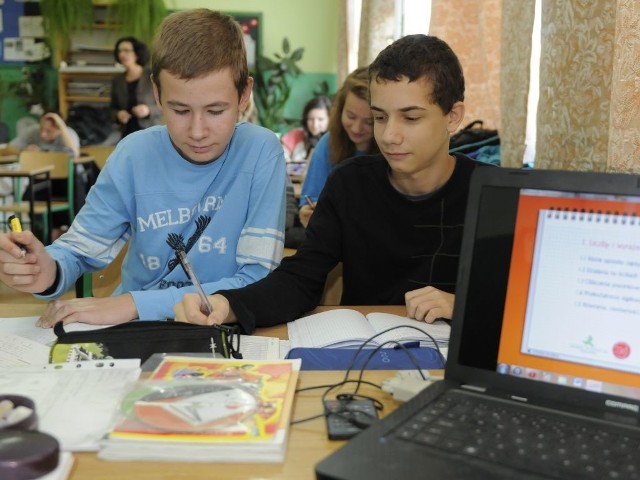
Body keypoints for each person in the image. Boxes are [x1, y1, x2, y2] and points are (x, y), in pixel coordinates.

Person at [174, 34, 493, 333]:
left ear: (453, 116)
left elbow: (526, 302)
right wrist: (228, 304)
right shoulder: (350, 184)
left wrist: (460, 305)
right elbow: (302, 278)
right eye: (380, 117)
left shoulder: (492, 193)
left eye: (410, 118)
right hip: (362, 356)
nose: (389, 136)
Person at [0, 9, 287, 327]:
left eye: (216, 110)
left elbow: (258, 279)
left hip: (209, 326)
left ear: (244, 94)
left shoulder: (261, 151)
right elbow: (79, 250)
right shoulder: (133, 154)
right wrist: (46, 270)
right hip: (135, 330)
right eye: (179, 110)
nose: (197, 131)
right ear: (157, 94)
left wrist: (137, 304)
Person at [298, 68, 379, 227]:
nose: (356, 128)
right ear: (339, 110)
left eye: (369, 122)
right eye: (351, 116)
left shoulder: (394, 150)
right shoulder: (327, 144)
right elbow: (310, 202)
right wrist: (307, 214)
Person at [0, 112, 82, 239]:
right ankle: (44, 233)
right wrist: (24, 151)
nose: (43, 134)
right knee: (28, 195)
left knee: (78, 188)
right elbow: (7, 149)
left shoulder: (68, 133)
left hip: (64, 183)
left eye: (48, 131)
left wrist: (61, 125)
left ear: (59, 129)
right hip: (40, 181)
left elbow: (75, 154)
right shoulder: (32, 132)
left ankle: (66, 231)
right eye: (41, 129)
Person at [111, 36, 163, 139]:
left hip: (150, 132)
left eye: (126, 50)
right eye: (120, 51)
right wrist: (118, 114)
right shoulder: (117, 80)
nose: (122, 54)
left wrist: (148, 110)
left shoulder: (153, 76)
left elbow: (166, 105)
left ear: (137, 53)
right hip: (126, 134)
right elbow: (112, 108)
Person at [281, 95, 332, 174]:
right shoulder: (297, 134)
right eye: (311, 119)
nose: (315, 125)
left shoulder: (333, 139)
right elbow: (281, 154)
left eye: (320, 119)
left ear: (330, 119)